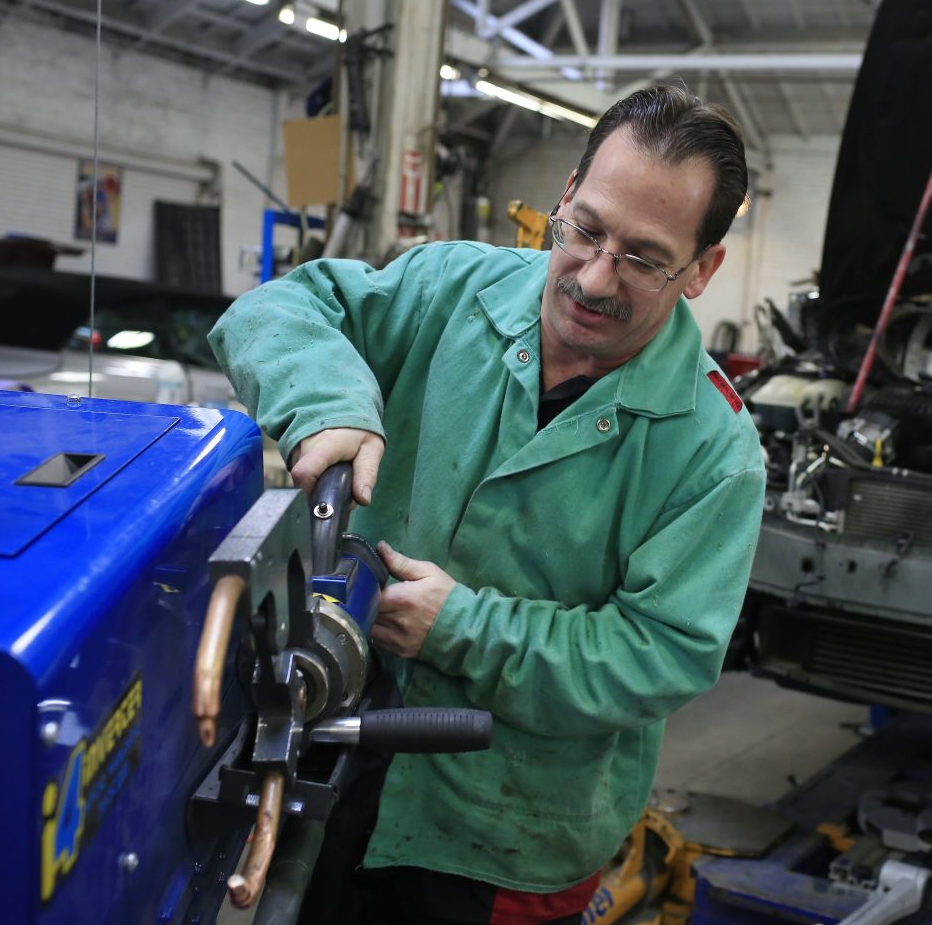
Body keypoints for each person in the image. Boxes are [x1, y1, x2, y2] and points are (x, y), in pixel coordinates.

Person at [208, 84, 766, 925]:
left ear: (703, 270)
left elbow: (662, 653)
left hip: (506, 832)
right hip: (328, 753)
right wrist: (328, 402)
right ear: (567, 194)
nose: (593, 276)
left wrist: (461, 627)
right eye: (583, 230)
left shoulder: (714, 454)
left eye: (645, 259)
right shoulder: (449, 288)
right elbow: (280, 309)